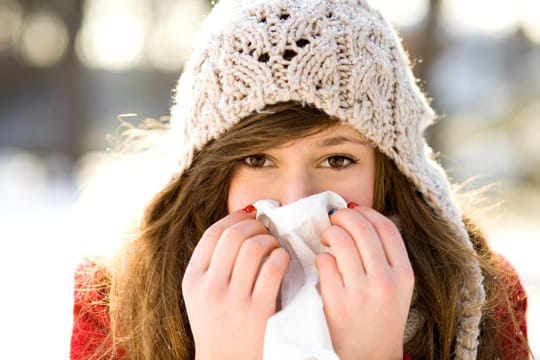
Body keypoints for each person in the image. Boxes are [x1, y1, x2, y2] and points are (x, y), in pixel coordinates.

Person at [70, 0, 530, 359]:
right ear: (208, 173)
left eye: (336, 161)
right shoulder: (117, 299)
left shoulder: (479, 297)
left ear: (392, 169)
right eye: (256, 158)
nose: (296, 200)